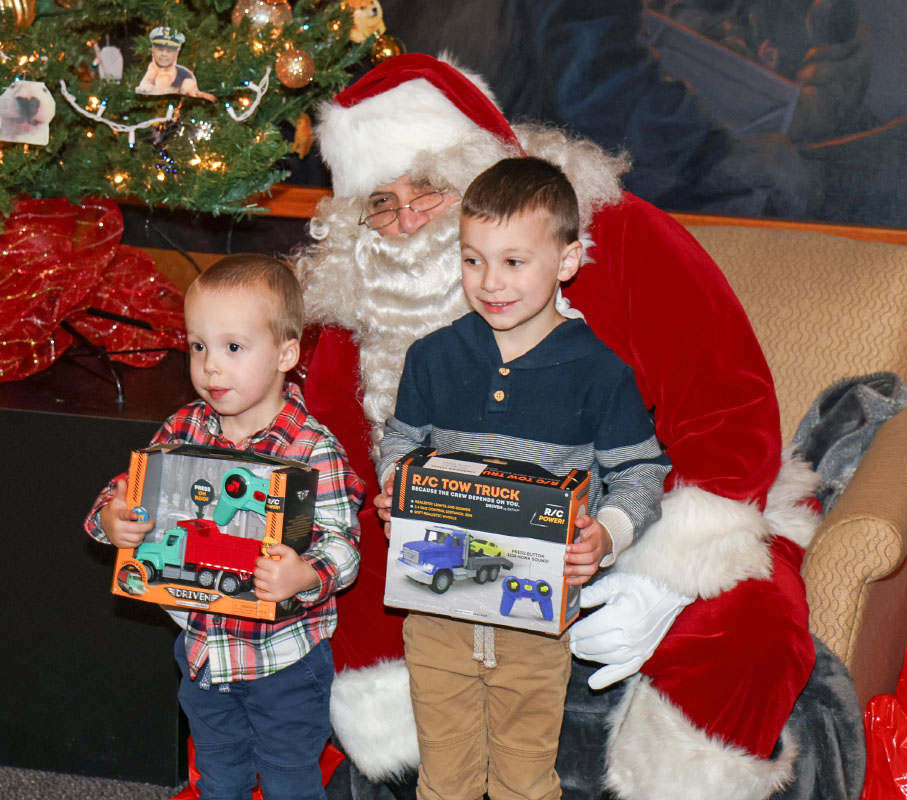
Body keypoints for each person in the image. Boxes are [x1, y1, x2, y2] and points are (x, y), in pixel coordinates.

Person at [293, 54, 845, 800]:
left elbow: (726, 411)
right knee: (351, 620)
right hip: (464, 541)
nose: (409, 221)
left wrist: (657, 575)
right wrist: (393, 498)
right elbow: (344, 461)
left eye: (428, 187)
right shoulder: (369, 300)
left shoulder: (619, 241)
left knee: (749, 628)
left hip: (647, 519)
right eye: (382, 204)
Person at [372, 156, 676, 799]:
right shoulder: (432, 357)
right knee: (443, 778)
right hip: (436, 611)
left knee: (525, 778)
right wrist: (399, 484)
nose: (490, 282)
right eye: (473, 259)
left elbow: (642, 472)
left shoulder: (600, 373)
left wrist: (608, 534)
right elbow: (401, 441)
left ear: (567, 261)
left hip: (534, 621)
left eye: (514, 261)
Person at [84, 254, 363, 800]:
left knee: (289, 782)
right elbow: (120, 496)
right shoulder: (182, 428)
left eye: (233, 347)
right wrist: (113, 522)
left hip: (284, 661)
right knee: (217, 776)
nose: (211, 366)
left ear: (286, 354)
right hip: (203, 653)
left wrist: (305, 575)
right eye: (198, 346)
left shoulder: (313, 448)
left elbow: (344, 546)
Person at [136, 27, 217, 102]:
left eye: (169, 51)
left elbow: (160, 89)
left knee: (187, 86)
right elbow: (143, 86)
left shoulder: (179, 74)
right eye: (160, 49)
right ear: (153, 50)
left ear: (177, 52)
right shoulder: (151, 68)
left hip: (186, 89)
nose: (164, 54)